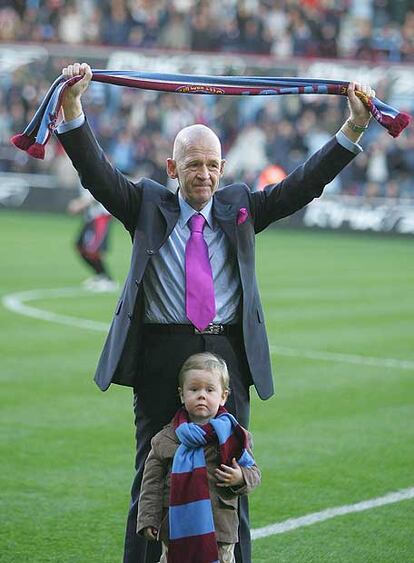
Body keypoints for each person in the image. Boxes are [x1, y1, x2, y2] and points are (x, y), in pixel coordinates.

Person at [56, 62, 375, 563]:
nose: (203, 175)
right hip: (163, 354)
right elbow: (97, 175)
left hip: (227, 357)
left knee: (230, 474)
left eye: (212, 165)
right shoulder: (145, 204)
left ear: (223, 169)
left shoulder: (241, 205)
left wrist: (353, 127)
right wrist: (73, 108)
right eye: (192, 164)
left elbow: (301, 186)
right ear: (172, 168)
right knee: (153, 474)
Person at [137, 352, 261, 563]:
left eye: (210, 390)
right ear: (182, 395)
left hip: (219, 529)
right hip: (176, 529)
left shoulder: (235, 436)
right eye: (194, 389)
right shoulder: (164, 439)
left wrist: (241, 477)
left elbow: (254, 473)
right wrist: (148, 519)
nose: (201, 395)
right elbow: (151, 484)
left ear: (223, 396)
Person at [67, 190, 117, 291]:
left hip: (101, 216)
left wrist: (80, 204)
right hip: (91, 216)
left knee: (92, 250)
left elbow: (99, 191)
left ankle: (108, 280)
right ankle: (100, 276)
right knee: (80, 246)